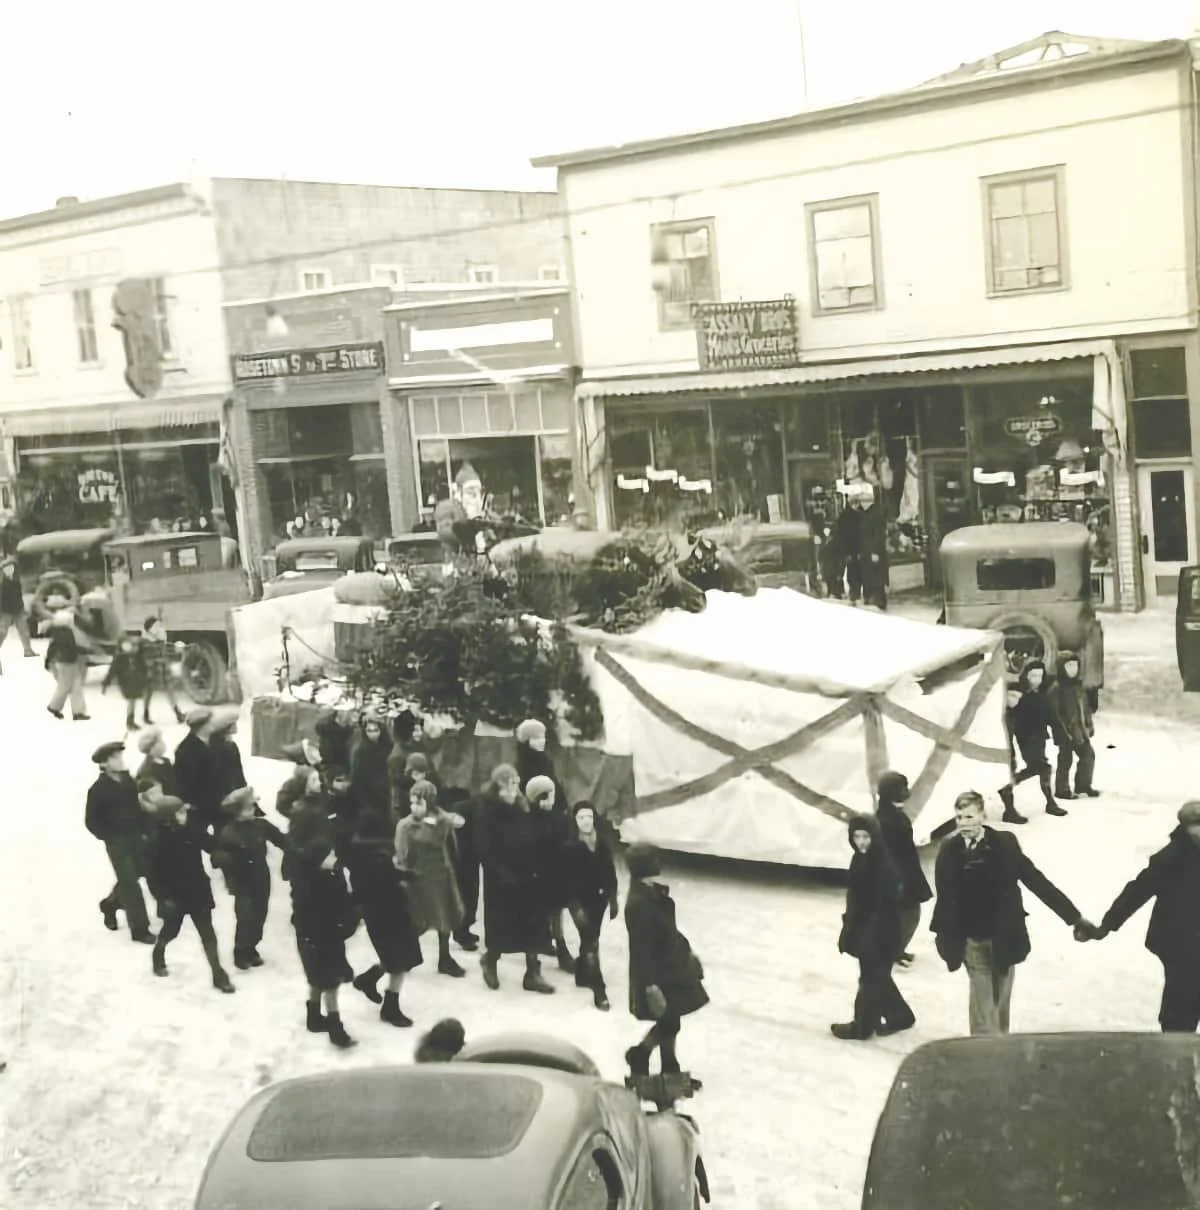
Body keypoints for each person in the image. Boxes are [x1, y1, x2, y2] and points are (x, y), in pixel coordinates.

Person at [930, 790, 1092, 1036]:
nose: (964, 823)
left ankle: (1001, 1053)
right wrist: (944, 937)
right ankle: (983, 1057)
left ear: (983, 816)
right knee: (982, 1007)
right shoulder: (949, 850)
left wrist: (1073, 917)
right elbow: (944, 898)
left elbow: (1035, 880)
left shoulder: (1005, 844)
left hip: (1003, 937)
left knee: (1001, 1003)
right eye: (959, 817)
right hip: (971, 940)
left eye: (970, 817)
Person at [1086, 801, 1200, 1031]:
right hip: (1179, 943)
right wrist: (1107, 924)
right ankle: (1175, 1051)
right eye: (1195, 825)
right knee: (1181, 1004)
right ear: (1185, 827)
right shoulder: (1171, 858)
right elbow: (1137, 891)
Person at [140, 775, 235, 994]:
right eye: (180, 812)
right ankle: (159, 952)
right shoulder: (156, 843)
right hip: (174, 896)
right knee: (171, 930)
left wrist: (225, 851)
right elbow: (152, 876)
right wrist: (163, 899)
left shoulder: (191, 829)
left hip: (197, 890)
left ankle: (218, 974)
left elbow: (210, 843)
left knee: (207, 933)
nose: (185, 815)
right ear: (167, 819)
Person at [624, 845, 708, 1078]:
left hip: (671, 966)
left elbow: (670, 929)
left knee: (672, 1020)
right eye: (653, 860)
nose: (657, 863)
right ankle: (641, 1054)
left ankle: (669, 1066)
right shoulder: (639, 903)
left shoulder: (650, 893)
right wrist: (650, 985)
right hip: (659, 973)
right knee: (670, 1022)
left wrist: (688, 952)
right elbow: (640, 949)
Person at [287, 787, 360, 1049]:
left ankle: (313, 1014)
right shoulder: (310, 879)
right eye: (328, 856)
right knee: (329, 981)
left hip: (320, 932)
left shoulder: (323, 871)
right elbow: (329, 903)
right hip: (319, 933)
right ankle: (334, 1025)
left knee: (319, 977)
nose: (333, 858)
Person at [832, 814, 914, 1040]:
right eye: (856, 836)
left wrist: (869, 936)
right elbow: (855, 899)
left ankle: (862, 1027)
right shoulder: (859, 859)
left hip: (881, 932)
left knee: (869, 980)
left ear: (875, 836)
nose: (861, 842)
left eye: (866, 836)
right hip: (866, 930)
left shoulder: (884, 865)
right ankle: (900, 1015)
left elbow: (885, 906)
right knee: (877, 977)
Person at [345, 798, 424, 1027]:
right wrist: (406, 877)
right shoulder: (380, 856)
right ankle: (390, 1007)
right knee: (400, 962)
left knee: (396, 957)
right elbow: (388, 879)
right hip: (392, 914)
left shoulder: (360, 855)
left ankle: (368, 979)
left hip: (377, 915)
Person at [476, 764, 554, 994]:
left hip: (527, 875)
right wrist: (500, 873)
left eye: (516, 783)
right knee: (502, 926)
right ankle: (490, 961)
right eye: (509, 783)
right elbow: (483, 847)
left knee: (532, 925)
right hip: (501, 880)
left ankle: (533, 972)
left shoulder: (522, 806)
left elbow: (532, 834)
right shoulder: (487, 810)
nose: (514, 788)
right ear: (498, 785)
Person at [395, 781, 468, 978]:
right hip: (418, 879)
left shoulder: (441, 820)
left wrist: (447, 819)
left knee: (446, 917)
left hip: (441, 875)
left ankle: (445, 958)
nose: (414, 807)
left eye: (419, 803)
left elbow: (452, 838)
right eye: (412, 803)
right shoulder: (405, 826)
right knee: (418, 921)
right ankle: (402, 956)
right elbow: (401, 855)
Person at [86, 741, 155, 944]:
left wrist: (145, 831)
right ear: (104, 764)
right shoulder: (98, 789)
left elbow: (138, 808)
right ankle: (140, 929)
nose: (120, 761)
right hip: (117, 842)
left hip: (136, 837)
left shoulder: (128, 782)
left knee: (138, 872)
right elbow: (91, 821)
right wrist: (108, 836)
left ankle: (110, 904)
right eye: (115, 758)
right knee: (130, 884)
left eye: (120, 756)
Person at [214, 786, 286, 971]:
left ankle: (252, 947)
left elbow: (282, 840)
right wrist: (230, 879)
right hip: (242, 881)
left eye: (253, 806)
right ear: (237, 811)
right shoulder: (229, 832)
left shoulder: (261, 825)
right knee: (246, 916)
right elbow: (221, 860)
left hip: (261, 876)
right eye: (247, 808)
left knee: (260, 914)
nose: (252, 810)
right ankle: (240, 951)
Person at [563, 801, 618, 1011]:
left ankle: (582, 974)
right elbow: (566, 881)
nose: (586, 821)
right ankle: (599, 988)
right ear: (575, 821)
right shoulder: (570, 846)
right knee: (591, 942)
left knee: (589, 941)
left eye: (589, 817)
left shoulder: (602, 842)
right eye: (581, 818)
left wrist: (613, 898)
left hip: (600, 901)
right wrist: (575, 907)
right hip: (580, 903)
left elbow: (610, 871)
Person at [873, 771, 932, 968]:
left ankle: (895, 950)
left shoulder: (888, 815)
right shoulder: (888, 820)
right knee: (908, 915)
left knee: (903, 915)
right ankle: (893, 951)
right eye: (902, 788)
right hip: (899, 874)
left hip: (904, 872)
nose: (906, 792)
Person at [526, 774, 576, 973]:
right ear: (542, 797)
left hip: (555, 877)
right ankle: (533, 961)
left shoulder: (557, 818)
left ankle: (561, 950)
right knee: (537, 917)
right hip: (538, 878)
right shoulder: (529, 822)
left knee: (556, 915)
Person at [1007, 661, 1065, 818]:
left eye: (1040, 675)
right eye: (1033, 675)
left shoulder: (1042, 693)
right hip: (1025, 737)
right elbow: (1010, 717)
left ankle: (1048, 802)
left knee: (1041, 767)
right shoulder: (1019, 693)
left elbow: (1051, 715)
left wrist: (1060, 733)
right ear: (1026, 675)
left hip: (1039, 736)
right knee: (1043, 767)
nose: (1037, 679)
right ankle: (1049, 802)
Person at [1048, 652, 1098, 800]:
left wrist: (1088, 725)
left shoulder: (1078, 686)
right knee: (1065, 759)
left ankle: (1083, 786)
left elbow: (1086, 709)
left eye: (1075, 665)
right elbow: (1056, 715)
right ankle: (1062, 790)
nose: (1073, 669)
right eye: (1069, 666)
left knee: (1088, 755)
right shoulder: (1056, 689)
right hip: (1065, 732)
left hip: (1080, 731)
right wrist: (1064, 733)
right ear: (1061, 667)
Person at [174, 709, 222, 836]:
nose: (213, 725)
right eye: (210, 722)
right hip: (198, 805)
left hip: (216, 801)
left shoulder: (214, 741)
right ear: (202, 726)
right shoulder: (186, 749)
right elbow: (185, 780)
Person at [447, 786, 481, 953]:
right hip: (466, 856)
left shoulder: (459, 807)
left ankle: (463, 930)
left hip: (461, 856)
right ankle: (462, 932)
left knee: (466, 894)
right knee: (468, 894)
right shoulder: (471, 807)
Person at [44, 603, 89, 721]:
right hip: (69, 662)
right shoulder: (67, 633)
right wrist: (84, 651)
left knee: (74, 685)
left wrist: (48, 660)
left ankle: (76, 711)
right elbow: (72, 648)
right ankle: (56, 706)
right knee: (68, 686)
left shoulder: (57, 633)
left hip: (63, 662)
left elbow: (52, 648)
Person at [139, 617, 185, 724]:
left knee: (169, 689)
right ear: (150, 629)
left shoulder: (160, 637)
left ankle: (178, 714)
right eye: (156, 626)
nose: (160, 629)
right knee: (149, 691)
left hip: (163, 666)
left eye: (159, 626)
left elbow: (164, 649)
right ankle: (145, 714)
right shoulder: (146, 642)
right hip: (151, 668)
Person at [102, 634, 150, 731]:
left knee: (133, 701)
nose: (134, 649)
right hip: (126, 682)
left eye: (136, 646)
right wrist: (106, 683)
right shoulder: (120, 658)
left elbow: (143, 669)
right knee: (131, 701)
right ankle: (130, 721)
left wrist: (145, 680)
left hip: (136, 681)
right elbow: (112, 671)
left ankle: (130, 720)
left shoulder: (138, 657)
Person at [350, 710, 391, 816]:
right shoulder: (360, 752)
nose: (373, 734)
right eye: (369, 730)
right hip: (368, 799)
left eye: (376, 730)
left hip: (387, 794)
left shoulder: (388, 747)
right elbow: (357, 778)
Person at [0, 555, 36, 669]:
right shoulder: (3, 582)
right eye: (7, 568)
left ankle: (28, 650)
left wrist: (22, 606)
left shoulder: (16, 580)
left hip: (17, 607)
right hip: (6, 609)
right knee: (3, 631)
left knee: (24, 630)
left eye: (11, 567)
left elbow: (19, 594)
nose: (10, 570)